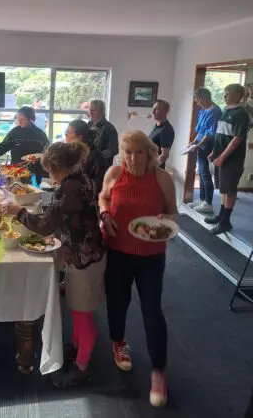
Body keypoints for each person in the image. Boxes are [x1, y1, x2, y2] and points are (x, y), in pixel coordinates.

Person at [7, 141, 105, 387]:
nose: (49, 175)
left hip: (83, 258)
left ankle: (82, 367)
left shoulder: (67, 189)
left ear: (58, 167)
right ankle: (76, 347)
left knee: (83, 315)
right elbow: (67, 217)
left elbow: (45, 226)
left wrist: (19, 212)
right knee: (77, 308)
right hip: (88, 252)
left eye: (50, 170)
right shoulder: (83, 178)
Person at [99, 130, 177, 408]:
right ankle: (118, 342)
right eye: (128, 152)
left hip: (151, 255)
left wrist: (166, 219)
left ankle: (159, 371)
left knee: (152, 310)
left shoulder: (162, 178)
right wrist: (103, 214)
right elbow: (103, 198)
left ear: (149, 152)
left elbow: (174, 212)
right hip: (118, 251)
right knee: (117, 302)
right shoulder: (114, 173)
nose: (133, 158)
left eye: (139, 152)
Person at [205, 84, 250, 235]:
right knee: (223, 189)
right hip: (220, 156)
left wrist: (222, 157)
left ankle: (225, 222)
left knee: (229, 190)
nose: (224, 96)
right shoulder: (226, 110)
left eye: (227, 94)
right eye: (224, 93)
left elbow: (237, 139)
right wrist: (214, 152)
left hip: (232, 159)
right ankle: (221, 216)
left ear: (238, 96)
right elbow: (221, 135)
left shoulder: (241, 113)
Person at [187, 88, 222, 213]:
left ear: (204, 99)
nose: (197, 103)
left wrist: (199, 144)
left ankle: (208, 203)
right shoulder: (204, 110)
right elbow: (201, 130)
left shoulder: (215, 111)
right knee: (201, 173)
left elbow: (210, 133)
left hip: (208, 145)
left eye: (198, 100)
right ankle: (202, 200)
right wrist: (194, 142)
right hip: (201, 145)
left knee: (205, 174)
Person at [65, 119, 106, 192]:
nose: (66, 135)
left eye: (68, 133)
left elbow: (99, 185)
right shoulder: (73, 152)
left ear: (79, 137)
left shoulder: (95, 157)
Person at [88, 100, 119, 168]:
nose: (90, 113)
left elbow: (113, 150)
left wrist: (97, 157)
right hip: (88, 165)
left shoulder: (109, 128)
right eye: (90, 110)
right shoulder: (88, 125)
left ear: (102, 111)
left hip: (102, 167)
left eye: (94, 110)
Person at [149, 100, 175, 169]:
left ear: (165, 111)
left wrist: (151, 166)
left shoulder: (166, 129)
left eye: (156, 109)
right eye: (153, 109)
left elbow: (164, 155)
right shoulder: (157, 127)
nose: (153, 112)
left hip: (155, 169)